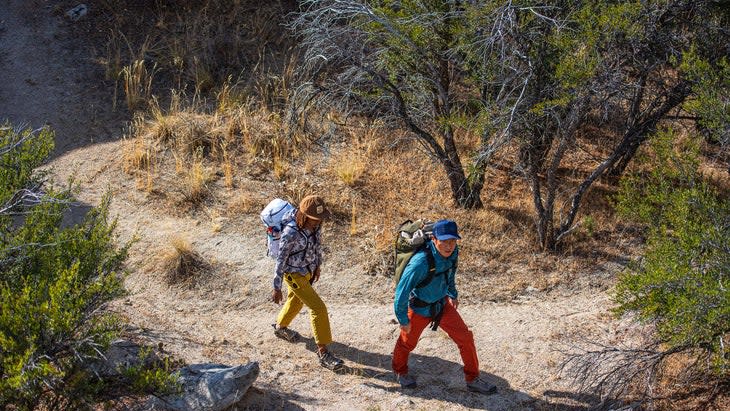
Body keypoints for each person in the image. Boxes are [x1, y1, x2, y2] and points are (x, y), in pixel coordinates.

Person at [392, 219, 497, 394]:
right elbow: (401, 293)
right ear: (434, 239)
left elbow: (450, 272)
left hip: (442, 305)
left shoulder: (453, 252)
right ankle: (399, 372)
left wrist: (452, 293)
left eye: (453, 241)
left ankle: (472, 379)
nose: (449, 246)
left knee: (466, 338)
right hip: (419, 308)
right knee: (406, 343)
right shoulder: (420, 263)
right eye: (445, 241)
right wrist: (403, 319)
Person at [271, 194, 344, 371]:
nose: (319, 221)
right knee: (318, 308)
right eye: (315, 218)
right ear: (304, 215)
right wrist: (276, 286)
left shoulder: (315, 226)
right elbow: (281, 260)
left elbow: (317, 245)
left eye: (321, 218)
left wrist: (317, 266)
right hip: (293, 274)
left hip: (308, 271)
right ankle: (323, 353)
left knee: (296, 302)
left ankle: (280, 327)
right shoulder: (290, 233)